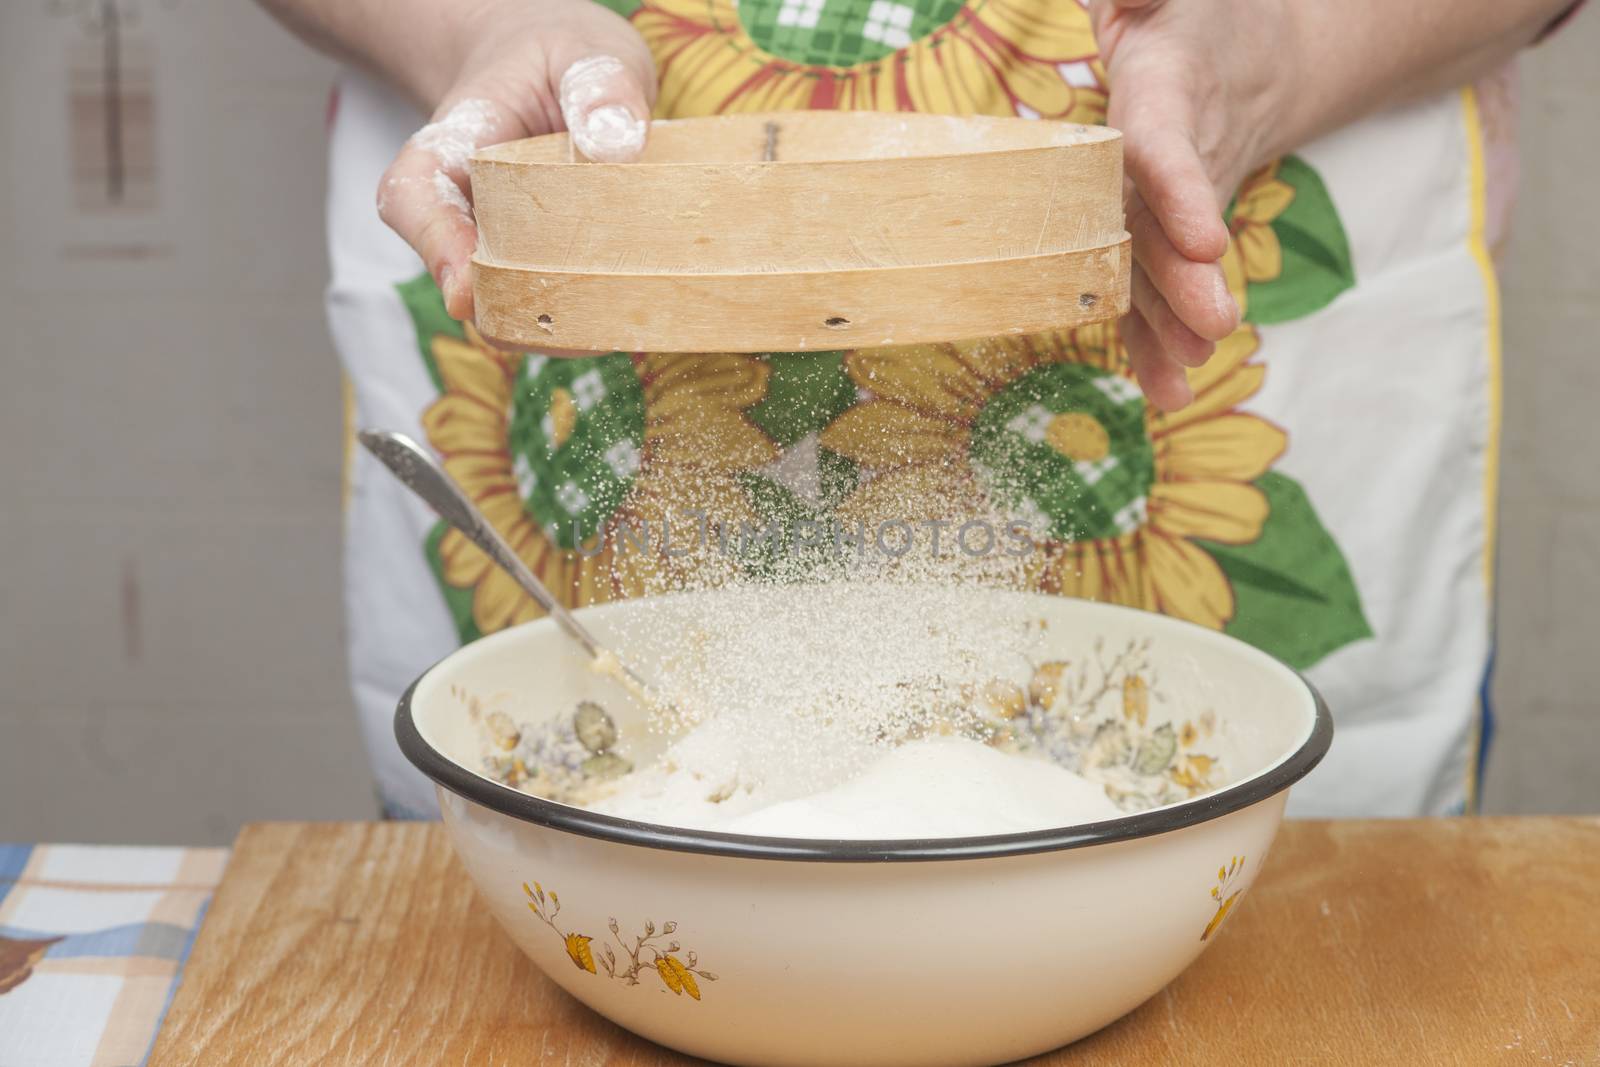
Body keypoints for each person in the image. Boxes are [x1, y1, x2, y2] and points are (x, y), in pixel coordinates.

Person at [261, 0, 1581, 819]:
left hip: (1228, 207)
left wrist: (1275, 50)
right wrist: (479, 27)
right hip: (563, 306)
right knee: (604, 834)